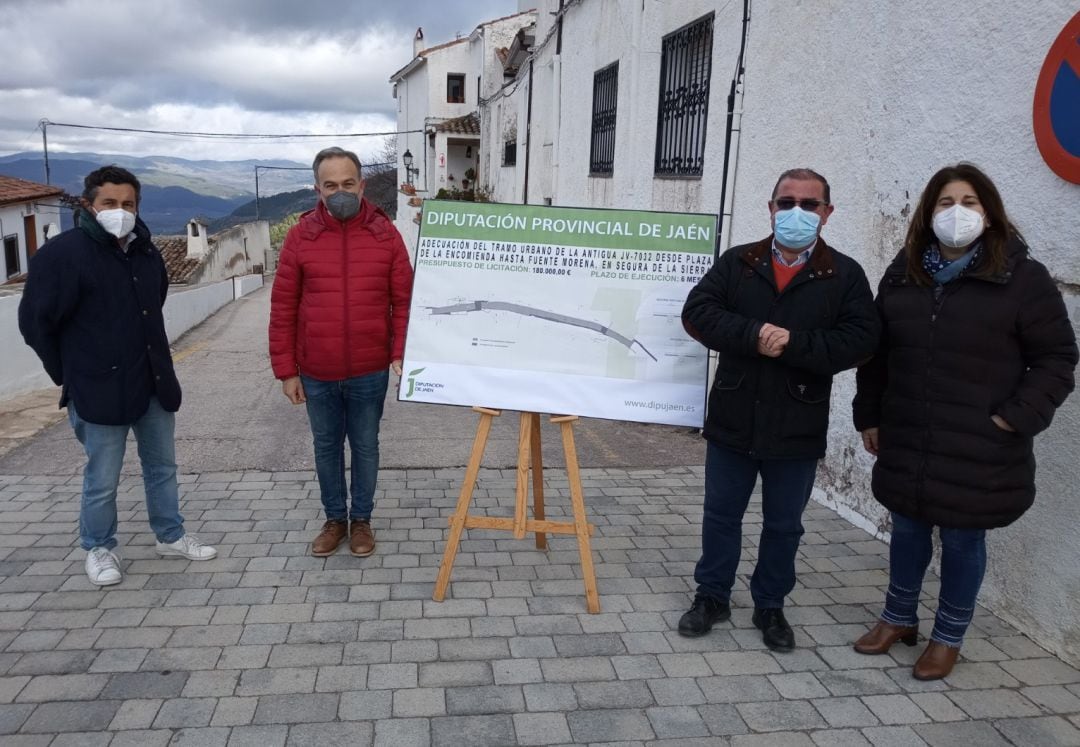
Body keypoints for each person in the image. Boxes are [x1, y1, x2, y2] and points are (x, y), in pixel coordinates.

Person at [852, 163, 1077, 680]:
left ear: (989, 212)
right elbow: (877, 355)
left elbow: (1057, 358)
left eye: (970, 202)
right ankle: (898, 618)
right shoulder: (904, 271)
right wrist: (870, 414)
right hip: (907, 432)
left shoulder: (1022, 278)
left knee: (961, 539)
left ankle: (948, 636)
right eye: (946, 202)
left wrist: (1014, 418)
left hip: (981, 441)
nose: (958, 212)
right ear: (929, 213)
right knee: (906, 528)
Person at [679, 168, 880, 651]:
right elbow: (698, 312)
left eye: (809, 204)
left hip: (797, 423)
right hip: (733, 417)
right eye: (786, 202)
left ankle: (770, 604)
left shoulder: (844, 274)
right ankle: (712, 595)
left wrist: (793, 344)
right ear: (770, 209)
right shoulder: (738, 262)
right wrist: (753, 335)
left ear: (827, 214)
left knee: (784, 524)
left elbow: (861, 340)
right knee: (721, 516)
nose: (797, 212)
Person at [18, 165, 217, 587]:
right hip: (96, 387)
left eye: (128, 204)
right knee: (102, 478)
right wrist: (67, 373)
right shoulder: (62, 255)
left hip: (152, 381)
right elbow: (36, 324)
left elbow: (155, 301)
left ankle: (170, 535)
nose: (119, 211)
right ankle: (99, 548)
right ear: (90, 205)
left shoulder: (146, 250)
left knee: (162, 467)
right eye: (109, 203)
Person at [269, 146, 413, 558]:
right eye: (330, 185)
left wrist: (400, 351)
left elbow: (404, 301)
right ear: (317, 189)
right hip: (316, 371)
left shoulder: (386, 234)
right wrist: (286, 371)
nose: (340, 192)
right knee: (326, 447)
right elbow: (283, 308)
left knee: (366, 446)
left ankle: (362, 520)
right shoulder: (301, 237)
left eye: (348, 183)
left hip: (370, 370)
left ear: (362, 185)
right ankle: (335, 520)